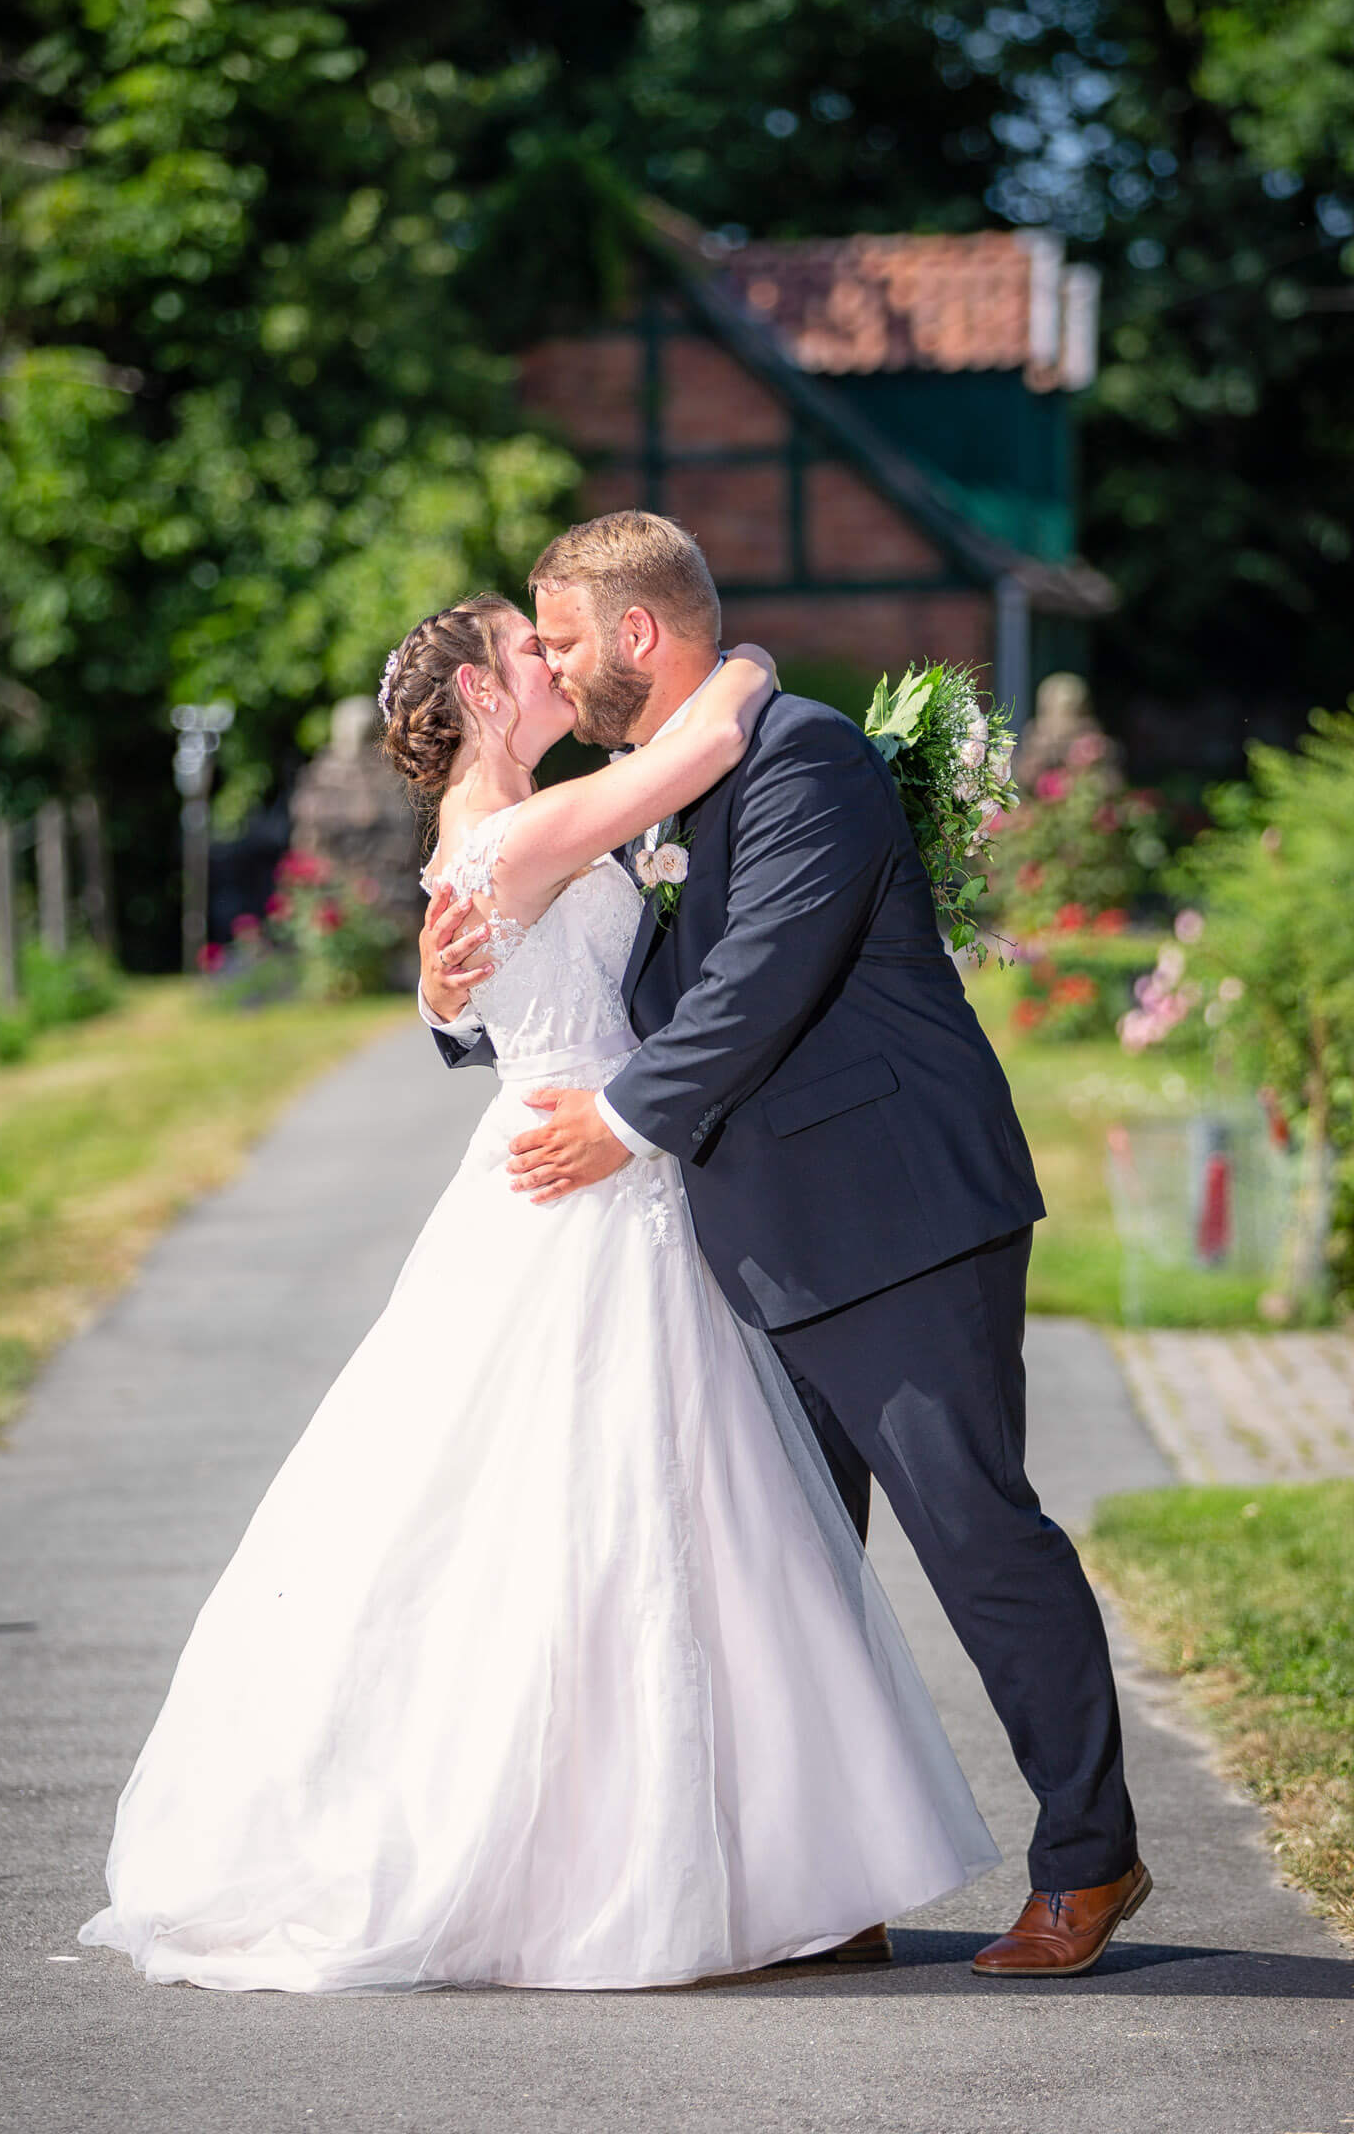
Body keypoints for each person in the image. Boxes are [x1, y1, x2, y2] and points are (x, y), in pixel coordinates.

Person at [78, 589, 999, 1994]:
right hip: (576, 1184)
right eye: (528, 648)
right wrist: (742, 657)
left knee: (682, 1520)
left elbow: (527, 958)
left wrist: (449, 997)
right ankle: (612, 1865)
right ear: (480, 698)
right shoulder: (515, 828)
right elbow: (687, 765)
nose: (552, 660)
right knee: (608, 1516)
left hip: (603, 1172)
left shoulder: (513, 827)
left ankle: (763, 1868)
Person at [421, 511, 1151, 1982]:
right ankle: (824, 1895)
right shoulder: (665, 783)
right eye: (534, 648)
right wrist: (453, 1001)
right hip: (744, 1246)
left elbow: (761, 980)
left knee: (979, 1542)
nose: (553, 663)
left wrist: (622, 1123)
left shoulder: (804, 755)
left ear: (636, 635)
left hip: (897, 1222)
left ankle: (1092, 1861)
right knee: (780, 1585)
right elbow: (592, 968)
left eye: (563, 637)